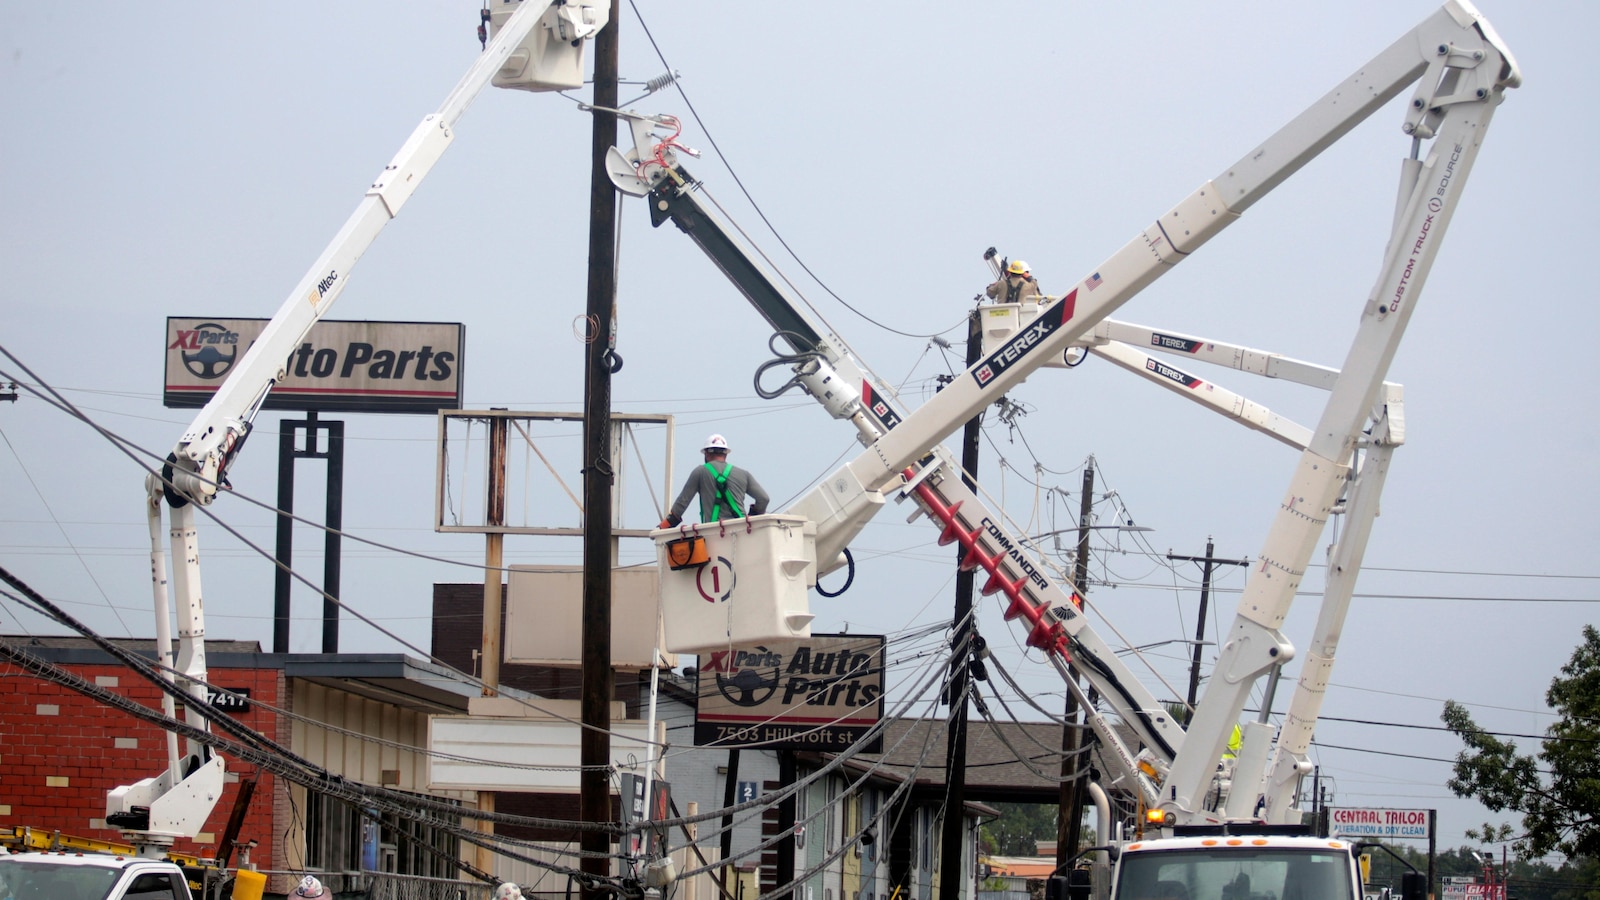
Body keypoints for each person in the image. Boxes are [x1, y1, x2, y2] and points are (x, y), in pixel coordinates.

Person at [660, 434, 769, 527]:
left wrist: (663, 527)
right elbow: (764, 499)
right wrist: (752, 517)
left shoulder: (700, 472)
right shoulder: (744, 474)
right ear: (725, 454)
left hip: (714, 533)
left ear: (706, 454)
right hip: (742, 531)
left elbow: (682, 503)